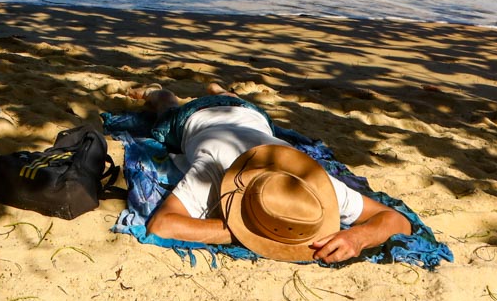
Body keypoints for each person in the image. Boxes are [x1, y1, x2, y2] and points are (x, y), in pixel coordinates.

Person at [139, 84, 413, 264]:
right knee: (166, 112)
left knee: (233, 102)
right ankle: (160, 93)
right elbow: (162, 225)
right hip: (194, 115)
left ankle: (222, 92)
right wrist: (245, 231)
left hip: (253, 114)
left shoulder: (315, 184)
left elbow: (396, 220)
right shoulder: (215, 166)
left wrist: (357, 237)